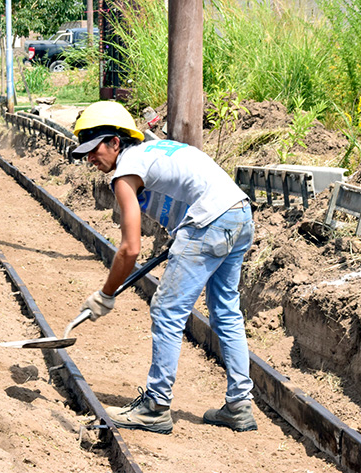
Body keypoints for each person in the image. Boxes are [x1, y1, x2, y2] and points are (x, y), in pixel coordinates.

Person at [75, 101, 257, 434]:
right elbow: (187, 190)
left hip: (210, 222)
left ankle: (155, 407)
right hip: (239, 214)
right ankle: (239, 405)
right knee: (226, 310)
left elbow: (129, 249)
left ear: (115, 142)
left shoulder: (125, 172)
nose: (90, 158)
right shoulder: (154, 150)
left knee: (166, 310)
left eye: (93, 149)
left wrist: (106, 294)